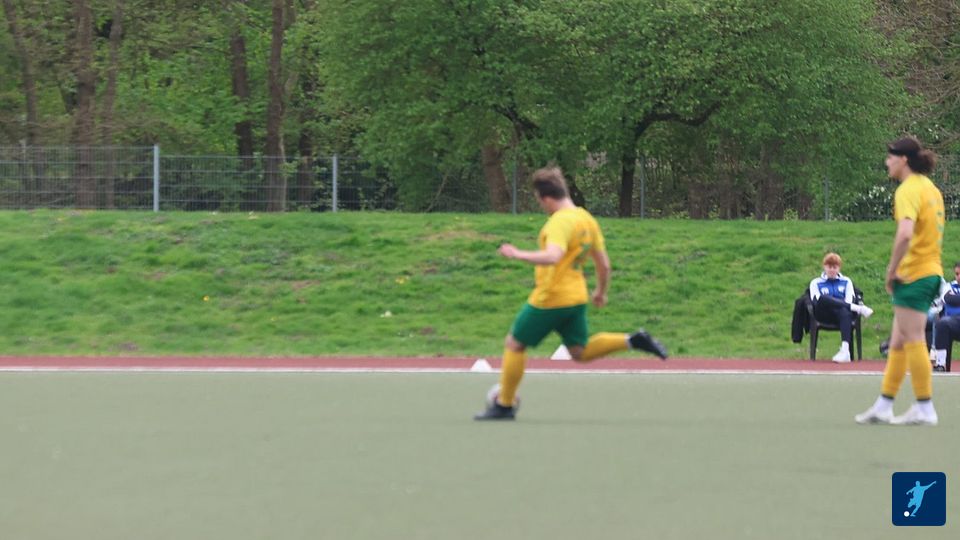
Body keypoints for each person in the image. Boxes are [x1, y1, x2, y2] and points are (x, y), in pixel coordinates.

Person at [474, 166, 667, 421]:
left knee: (515, 344)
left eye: (539, 201)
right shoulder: (586, 219)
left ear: (546, 198)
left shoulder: (560, 222)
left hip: (551, 297)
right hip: (576, 297)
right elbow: (604, 265)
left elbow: (553, 256)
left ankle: (505, 405)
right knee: (579, 351)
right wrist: (600, 292)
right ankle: (633, 340)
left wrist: (517, 253)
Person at [856, 137, 944, 426]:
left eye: (890, 157)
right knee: (898, 342)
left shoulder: (907, 189)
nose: (887, 162)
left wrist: (891, 270)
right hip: (930, 271)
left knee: (914, 339)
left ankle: (925, 407)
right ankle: (884, 405)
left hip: (913, 273)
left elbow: (905, 233)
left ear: (903, 159)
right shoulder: (930, 188)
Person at [808, 252, 874, 362]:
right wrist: (854, 307)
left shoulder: (846, 281)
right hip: (823, 314)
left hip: (840, 314)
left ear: (839, 268)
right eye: (829, 267)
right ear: (824, 267)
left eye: (834, 267)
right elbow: (816, 300)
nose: (831, 270)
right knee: (824, 298)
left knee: (845, 311)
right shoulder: (815, 282)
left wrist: (842, 305)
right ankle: (859, 309)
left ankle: (845, 350)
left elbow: (849, 300)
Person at [930, 262, 960, 371]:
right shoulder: (949, 286)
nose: (959, 277)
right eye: (957, 274)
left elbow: (954, 299)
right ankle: (940, 364)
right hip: (953, 321)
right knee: (942, 324)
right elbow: (948, 299)